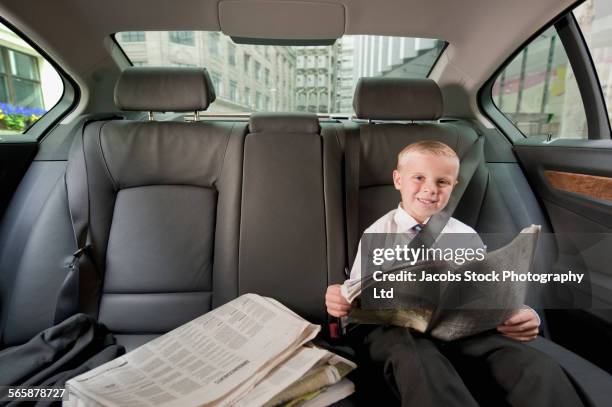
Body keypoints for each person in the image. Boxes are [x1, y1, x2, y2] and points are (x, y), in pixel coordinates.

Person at [325, 140, 583, 407]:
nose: (430, 189)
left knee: (533, 366)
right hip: (397, 329)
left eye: (442, 182)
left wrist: (520, 312)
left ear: (454, 186)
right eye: (419, 178)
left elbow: (486, 286)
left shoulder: (463, 235)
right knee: (418, 360)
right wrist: (343, 298)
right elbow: (358, 293)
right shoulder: (379, 232)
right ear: (398, 180)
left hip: (459, 328)